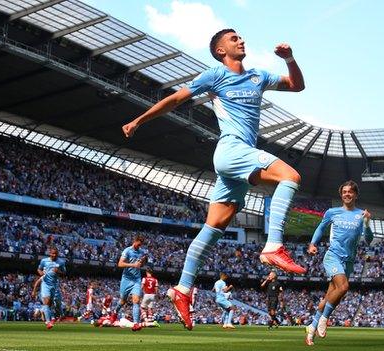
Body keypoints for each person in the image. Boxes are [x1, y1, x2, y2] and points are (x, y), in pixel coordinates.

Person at [122, 28, 306, 330]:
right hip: (232, 151)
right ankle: (273, 245)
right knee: (290, 176)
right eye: (233, 39)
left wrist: (290, 59)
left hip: (235, 160)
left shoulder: (259, 76)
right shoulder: (215, 75)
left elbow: (296, 86)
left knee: (215, 227)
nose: (241, 40)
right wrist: (138, 120)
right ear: (221, 51)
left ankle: (182, 289)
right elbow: (177, 99)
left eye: (241, 37)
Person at [305, 181, 373, 346]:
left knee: (331, 297)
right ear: (341, 194)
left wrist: (367, 224)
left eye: (350, 192)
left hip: (348, 261)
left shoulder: (362, 215)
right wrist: (313, 243)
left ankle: (311, 329)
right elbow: (321, 228)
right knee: (343, 287)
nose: (347, 194)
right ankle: (324, 319)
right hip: (333, 256)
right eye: (344, 192)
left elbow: (369, 240)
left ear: (356, 194)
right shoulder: (332, 212)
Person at [114, 235, 148, 331]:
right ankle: (115, 312)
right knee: (122, 301)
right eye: (138, 244)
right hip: (126, 279)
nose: (139, 246)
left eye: (141, 245)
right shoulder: (127, 251)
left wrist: (143, 262)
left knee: (136, 301)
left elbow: (141, 264)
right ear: (135, 241)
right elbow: (120, 264)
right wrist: (133, 264)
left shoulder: (141, 252)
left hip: (137, 279)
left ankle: (136, 324)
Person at [36, 247, 66, 329]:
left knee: (54, 303)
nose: (54, 255)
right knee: (46, 301)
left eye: (56, 254)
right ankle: (48, 322)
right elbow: (39, 269)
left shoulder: (61, 262)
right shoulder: (44, 261)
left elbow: (64, 272)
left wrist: (58, 271)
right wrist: (42, 274)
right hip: (45, 284)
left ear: (58, 254)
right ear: (50, 253)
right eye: (52, 253)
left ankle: (58, 316)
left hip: (55, 285)